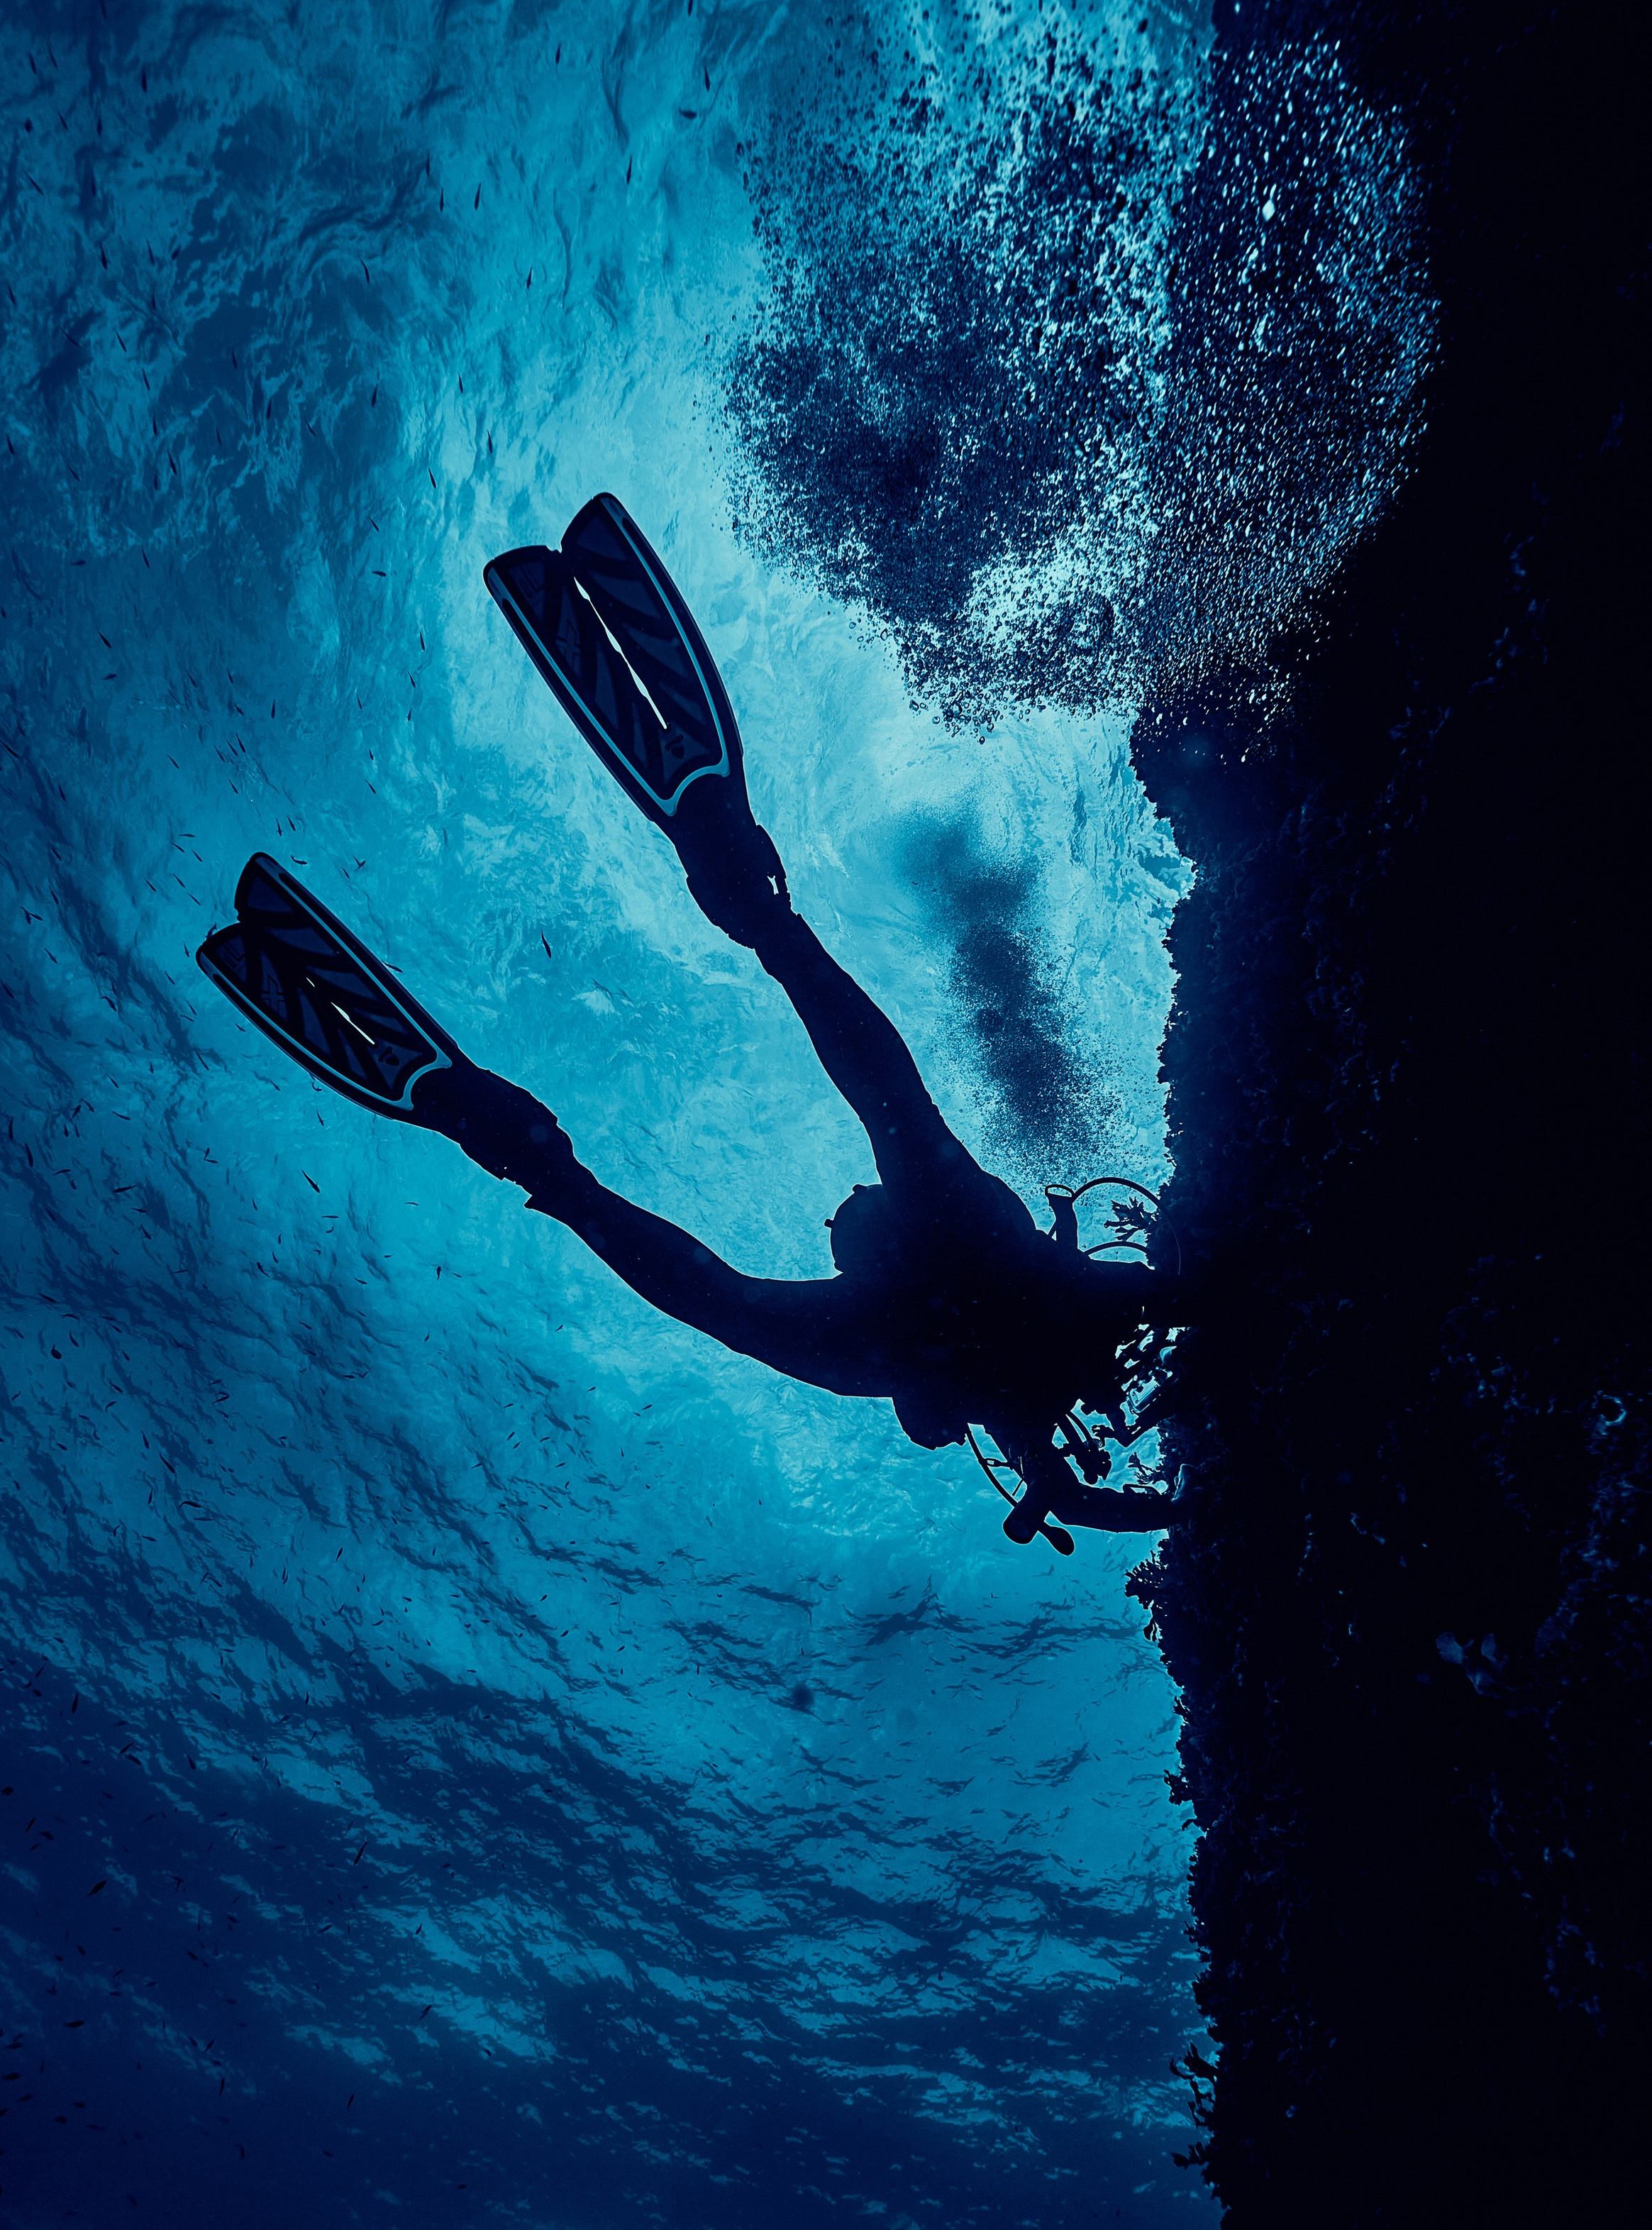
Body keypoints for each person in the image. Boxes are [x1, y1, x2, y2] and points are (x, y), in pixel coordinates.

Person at [199, 496, 1182, 1552]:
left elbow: (1167, 1344)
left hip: (938, 1307)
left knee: (870, 1134)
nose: (845, 1213)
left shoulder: (1030, 1328)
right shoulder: (1051, 1330)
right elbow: (1133, 1399)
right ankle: (527, 1140)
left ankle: (738, 933)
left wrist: (1174, 1501)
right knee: (812, 1205)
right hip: (961, 1296)